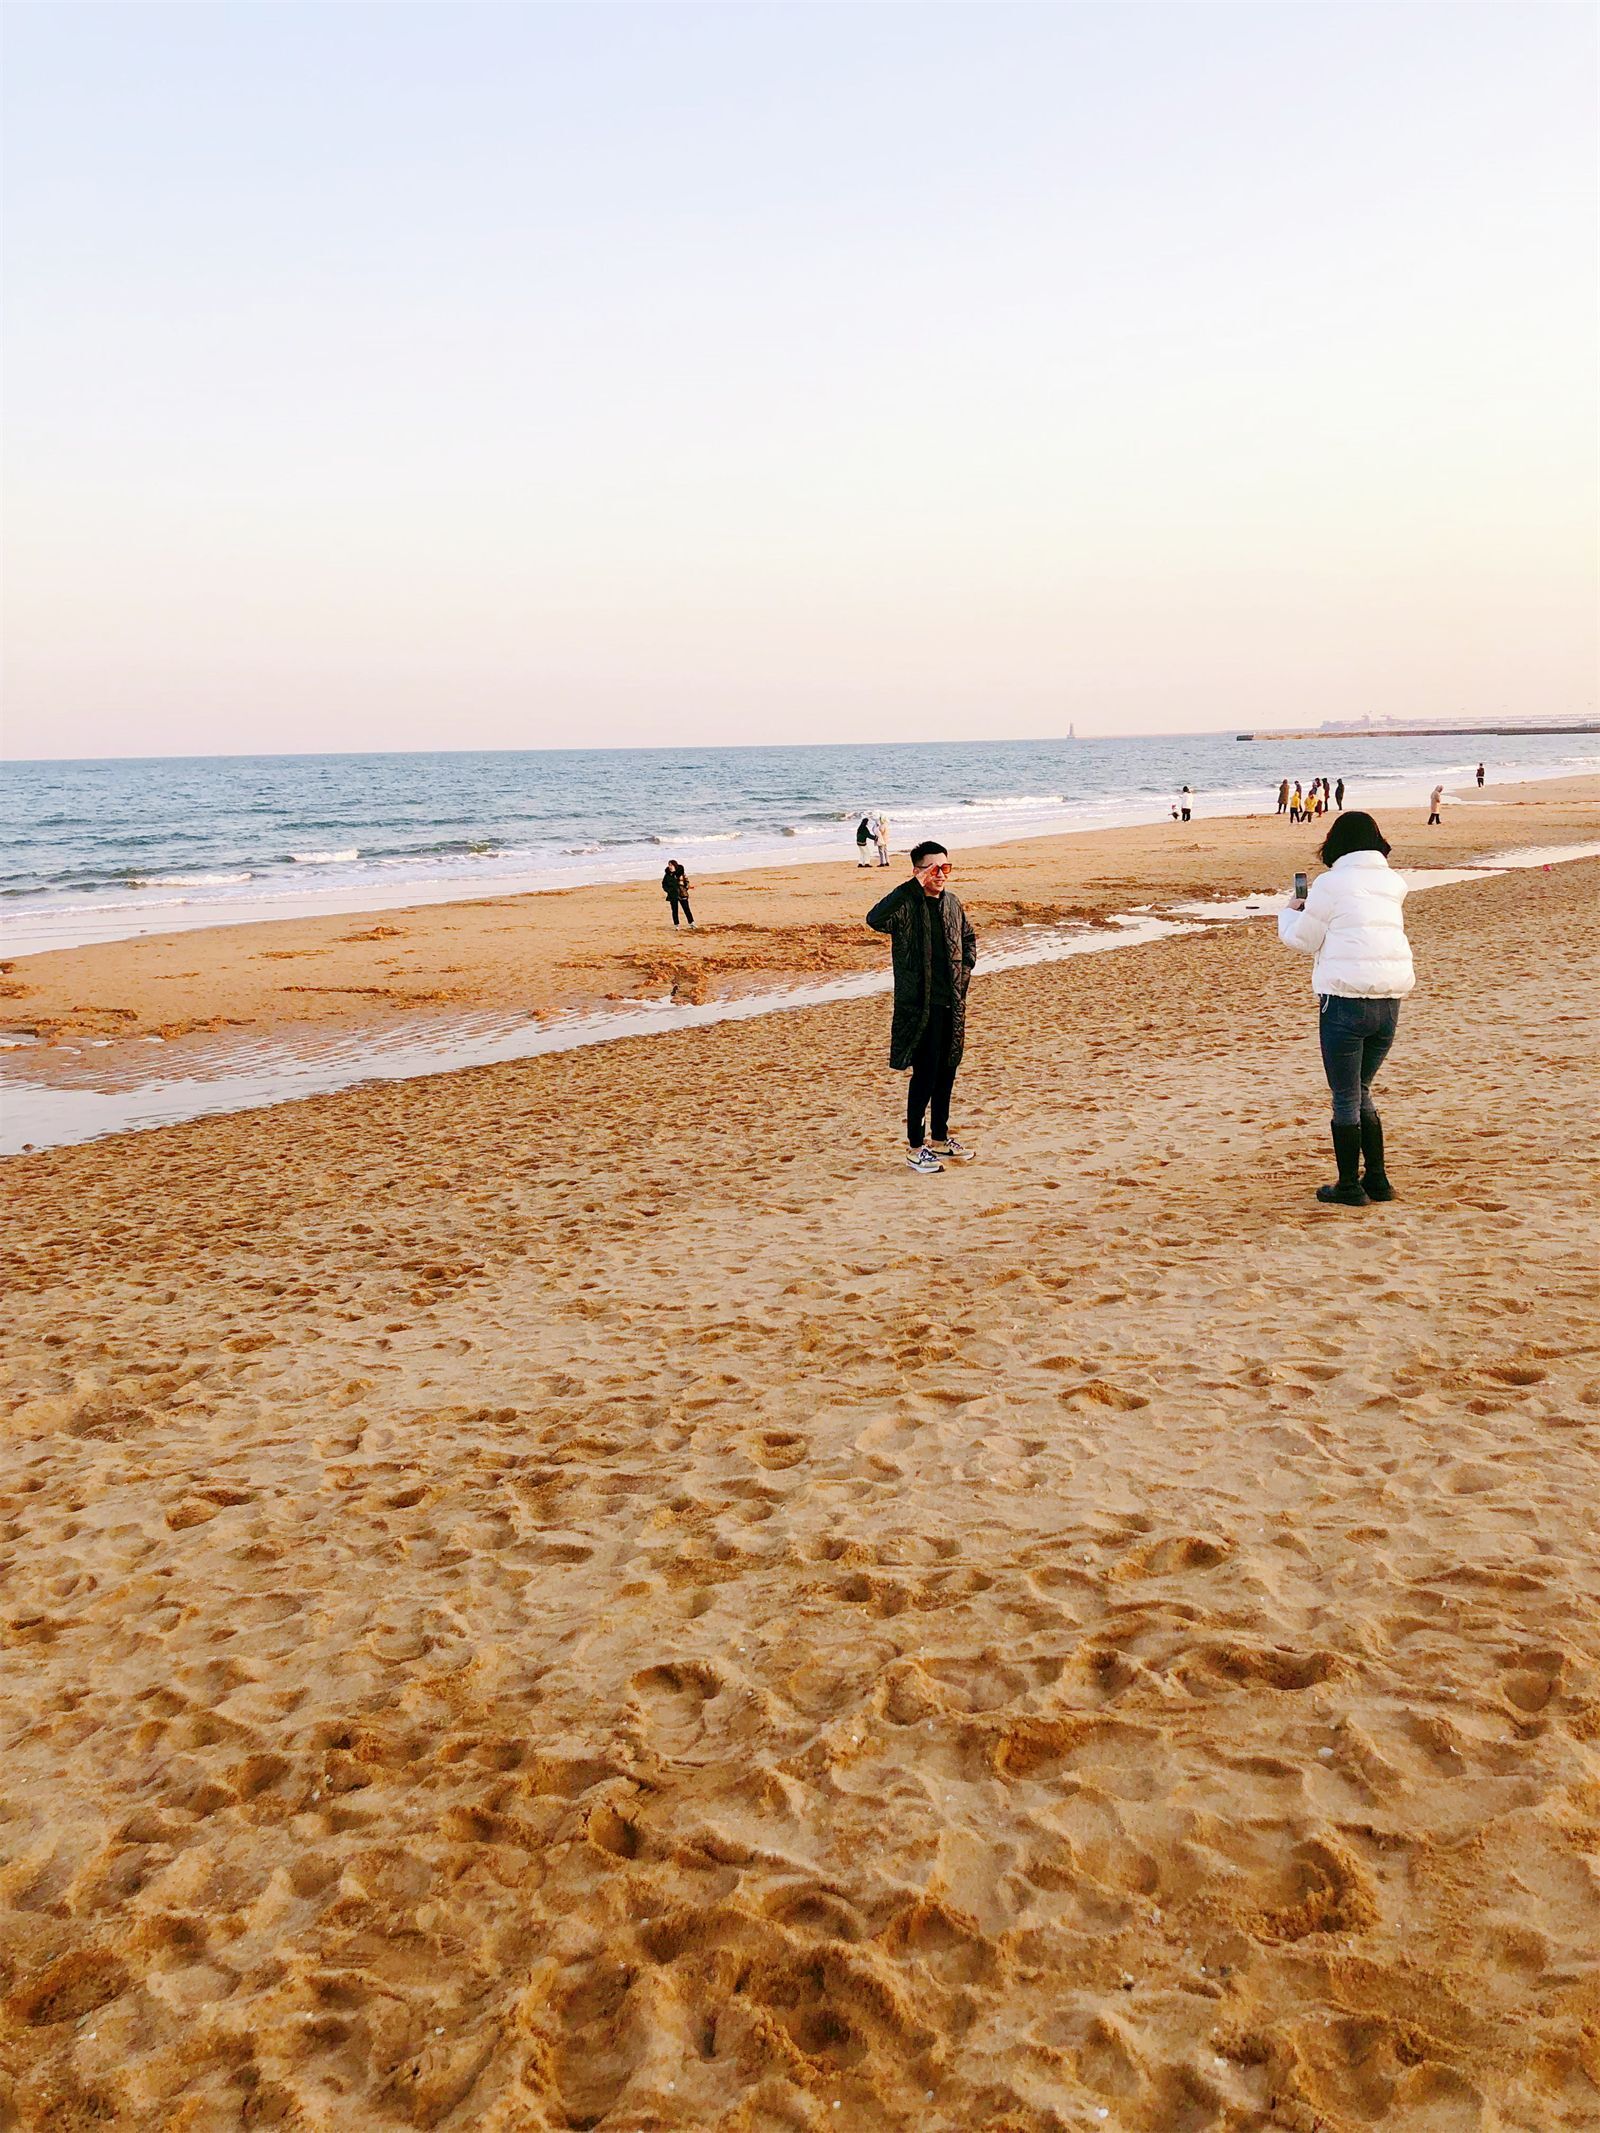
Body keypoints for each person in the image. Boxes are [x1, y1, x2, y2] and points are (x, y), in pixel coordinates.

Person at [1278, 810, 1413, 1206]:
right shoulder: (1393, 882)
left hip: (1344, 1001)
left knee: (1345, 1095)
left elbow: (1304, 940)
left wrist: (1289, 911)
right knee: (1361, 1089)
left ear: (1335, 842)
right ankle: (1378, 1180)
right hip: (1389, 1000)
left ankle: (1349, 1186)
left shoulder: (1330, 884)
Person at [866, 841, 978, 1173]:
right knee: (925, 1076)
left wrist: (965, 969)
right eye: (933, 869)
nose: (941, 874)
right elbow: (875, 918)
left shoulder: (952, 904)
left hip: (952, 1002)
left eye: (946, 868)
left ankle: (941, 1140)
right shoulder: (906, 906)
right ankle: (916, 1147)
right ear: (918, 872)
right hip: (920, 1006)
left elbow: (968, 938)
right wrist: (912, 887)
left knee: (947, 1070)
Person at [661, 860, 694, 928]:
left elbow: (686, 881)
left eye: (671, 865)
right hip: (672, 894)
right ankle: (676, 925)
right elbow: (664, 884)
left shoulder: (681, 873)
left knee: (686, 909)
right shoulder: (667, 874)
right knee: (674, 910)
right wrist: (668, 890)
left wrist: (685, 888)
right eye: (669, 865)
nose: (670, 867)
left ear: (675, 865)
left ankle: (691, 923)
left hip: (682, 893)